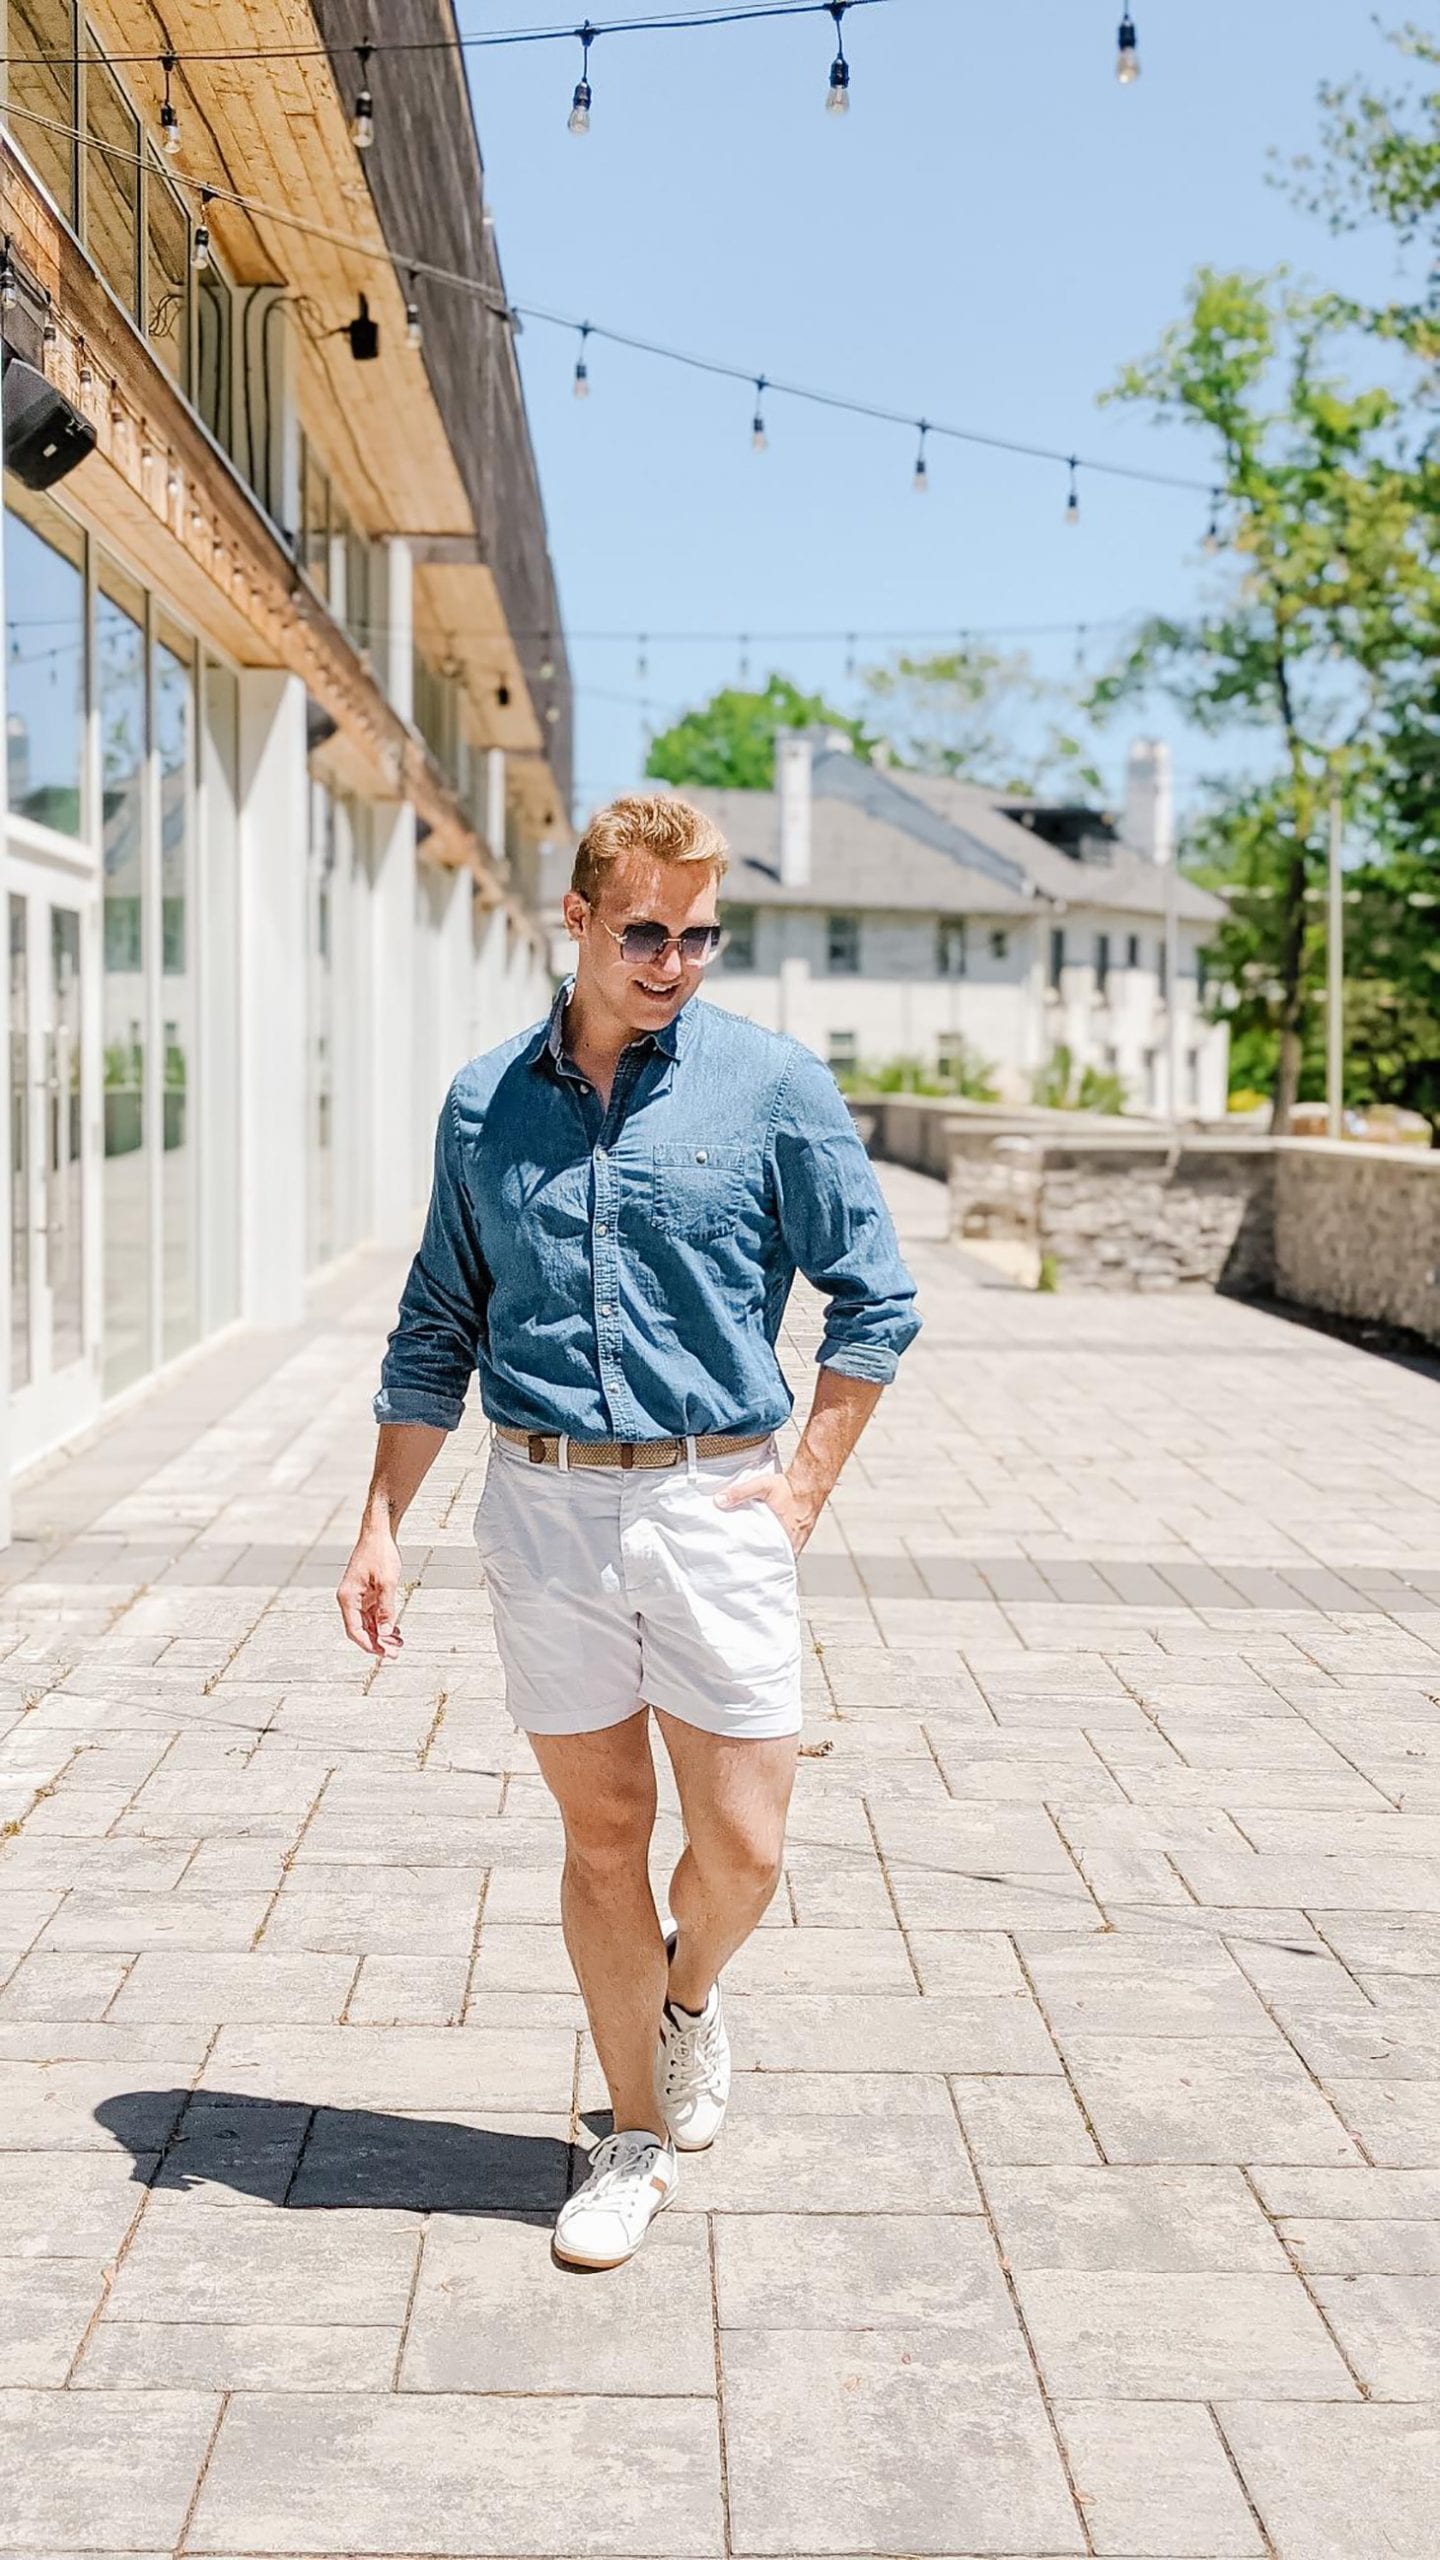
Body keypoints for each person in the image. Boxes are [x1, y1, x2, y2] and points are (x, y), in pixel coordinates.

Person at [337, 792, 919, 2269]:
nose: (674, 960)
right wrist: (382, 1523)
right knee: (604, 1837)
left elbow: (877, 1300)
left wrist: (798, 1493)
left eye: (700, 934)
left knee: (744, 1845)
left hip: (714, 1498)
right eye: (647, 931)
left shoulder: (772, 1087)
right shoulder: (487, 1104)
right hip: (540, 1503)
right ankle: (629, 2136)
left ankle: (689, 2004)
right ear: (580, 923)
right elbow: (435, 1325)